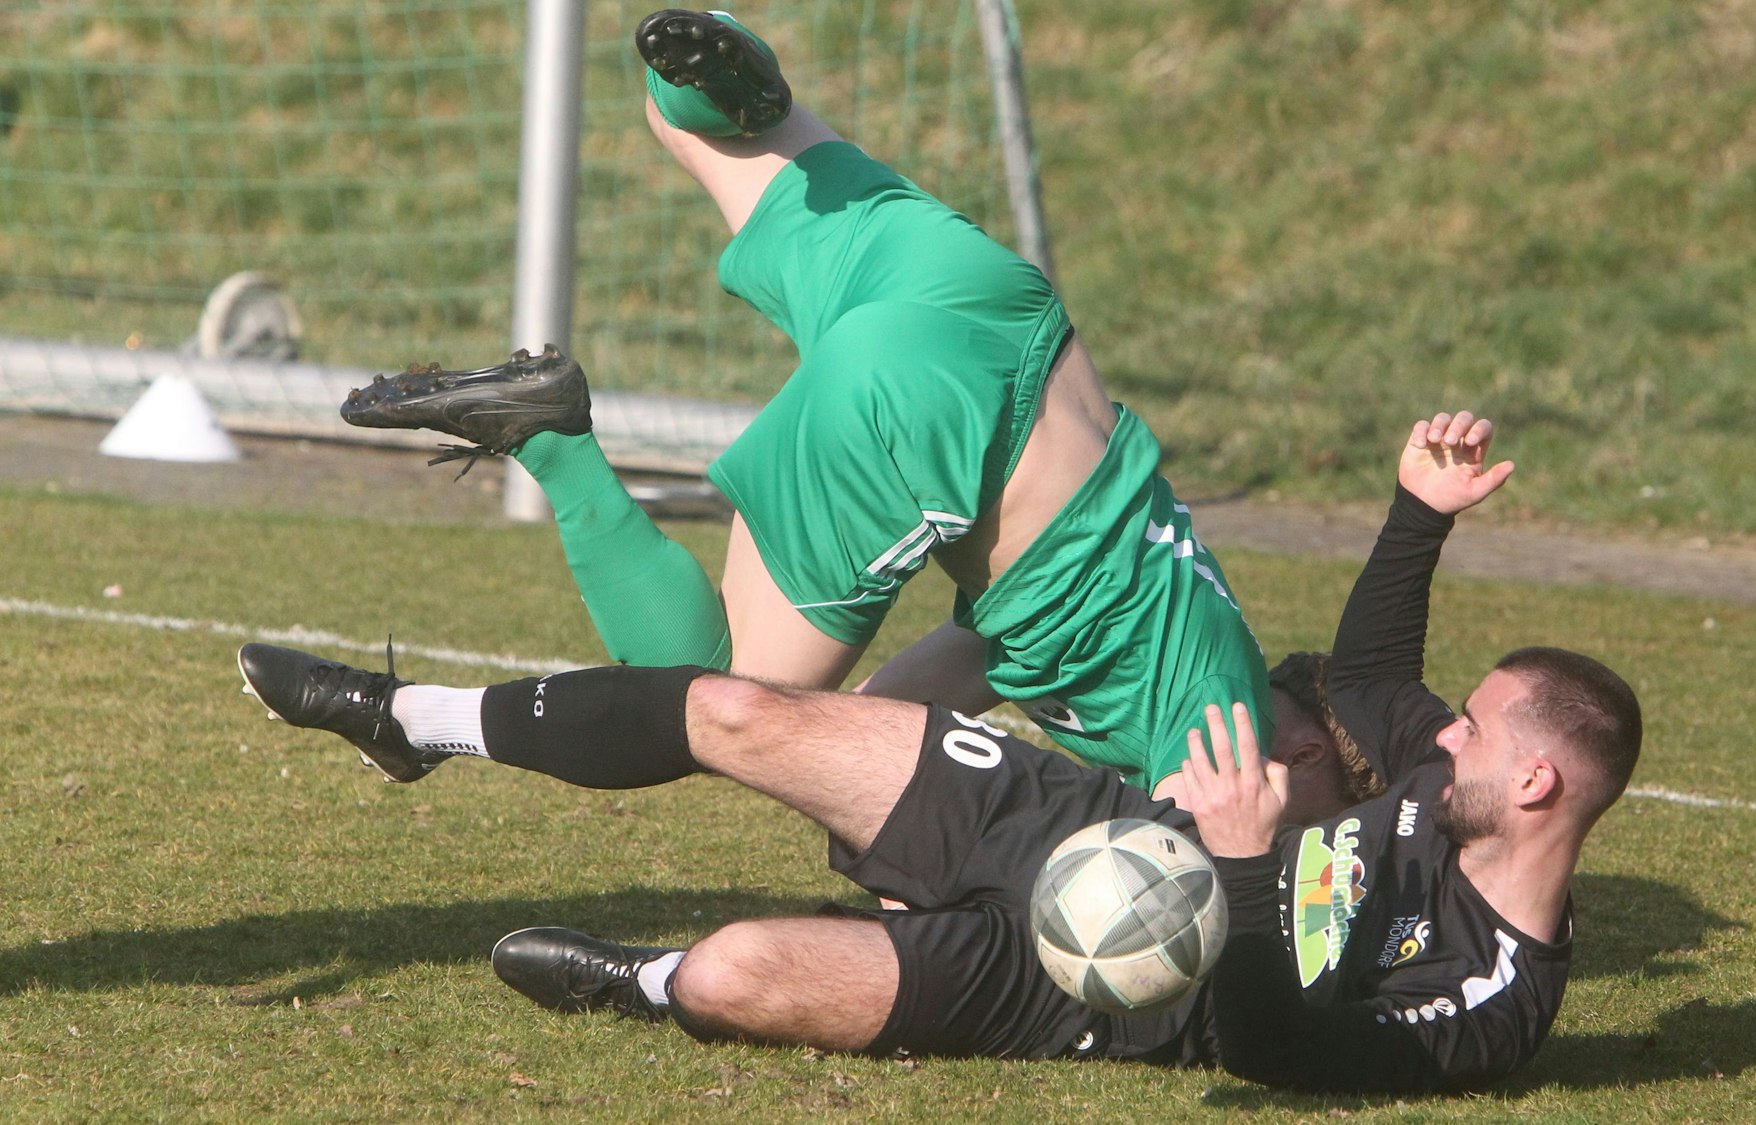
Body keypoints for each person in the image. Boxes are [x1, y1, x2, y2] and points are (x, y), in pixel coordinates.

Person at [237, 412, 1643, 1093]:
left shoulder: (1495, 1001)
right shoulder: (1436, 781)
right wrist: (1418, 513)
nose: (1440, 729)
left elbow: (1284, 1059)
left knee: (731, 974)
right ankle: (410, 720)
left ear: (1536, 783)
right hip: (1075, 819)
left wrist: (1230, 866)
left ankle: (642, 979)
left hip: (1099, 993)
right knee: (741, 711)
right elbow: (1378, 676)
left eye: (1472, 728)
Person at [335, 9, 1267, 801]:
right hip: (922, 408)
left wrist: (851, 748)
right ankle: (552, 441)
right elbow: (1193, 874)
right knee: (721, 697)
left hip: (985, 299)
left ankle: (720, 73)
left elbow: (981, 657)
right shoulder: (1235, 756)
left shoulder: (1189, 632)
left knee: (702, 129)